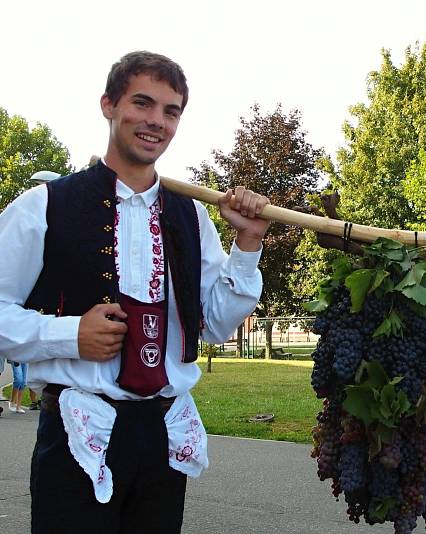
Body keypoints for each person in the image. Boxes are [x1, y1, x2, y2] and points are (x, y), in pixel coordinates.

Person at [0, 51, 271, 533]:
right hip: (78, 429)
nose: (156, 122)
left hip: (164, 433)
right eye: (142, 103)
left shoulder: (191, 216)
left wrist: (247, 244)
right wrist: (69, 336)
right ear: (108, 105)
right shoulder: (43, 206)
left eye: (171, 111)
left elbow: (212, 324)